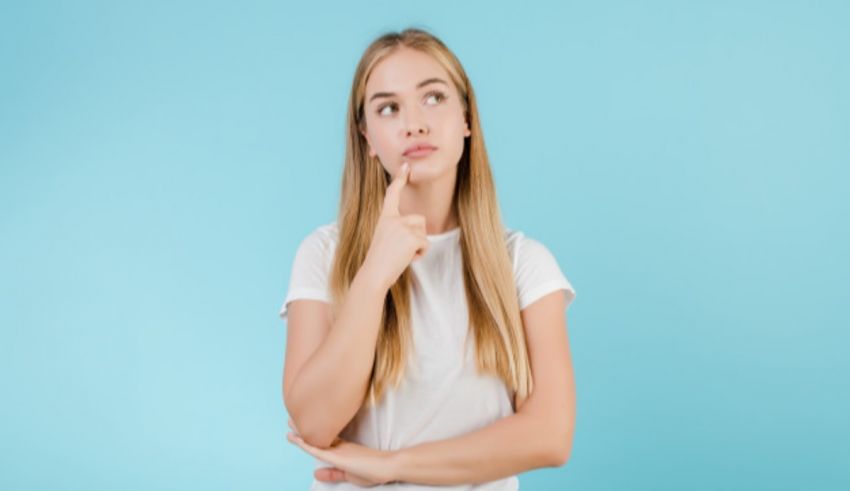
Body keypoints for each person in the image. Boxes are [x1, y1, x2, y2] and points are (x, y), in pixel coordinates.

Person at [280, 27, 577, 489]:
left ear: (466, 118)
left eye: (433, 98)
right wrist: (375, 273)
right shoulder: (323, 254)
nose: (413, 123)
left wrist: (392, 465)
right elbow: (315, 423)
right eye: (388, 108)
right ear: (367, 137)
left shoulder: (524, 264)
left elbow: (550, 436)